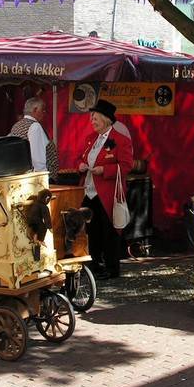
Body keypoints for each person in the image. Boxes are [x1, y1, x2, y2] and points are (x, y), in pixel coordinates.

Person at [77, 101, 134, 280]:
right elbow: (81, 158)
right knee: (91, 231)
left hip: (108, 193)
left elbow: (126, 166)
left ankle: (111, 268)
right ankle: (95, 265)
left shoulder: (120, 140)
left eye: (94, 118)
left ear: (105, 120)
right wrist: (80, 165)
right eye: (91, 118)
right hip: (89, 192)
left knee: (109, 231)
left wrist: (105, 170)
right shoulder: (90, 139)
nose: (91, 122)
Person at [10, 97, 59, 182]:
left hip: (24, 178)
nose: (44, 113)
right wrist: (43, 180)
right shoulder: (35, 126)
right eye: (43, 110)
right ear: (35, 110)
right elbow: (37, 157)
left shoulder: (16, 125)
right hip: (38, 180)